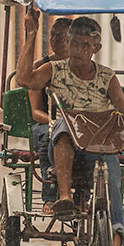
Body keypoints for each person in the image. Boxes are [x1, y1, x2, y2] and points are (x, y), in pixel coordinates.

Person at [16, 10, 124, 246]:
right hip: (62, 145)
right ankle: (65, 196)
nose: (78, 51)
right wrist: (32, 33)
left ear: (96, 48)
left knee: (114, 180)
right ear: (67, 43)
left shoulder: (107, 77)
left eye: (85, 45)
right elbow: (24, 80)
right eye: (73, 44)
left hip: (99, 148)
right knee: (64, 127)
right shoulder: (53, 69)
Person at [28, 17, 72, 211]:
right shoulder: (41, 68)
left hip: (77, 125)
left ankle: (86, 193)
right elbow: (36, 112)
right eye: (53, 35)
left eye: (61, 35)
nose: (55, 39)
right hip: (46, 123)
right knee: (49, 136)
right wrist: (56, 121)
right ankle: (49, 195)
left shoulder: (83, 67)